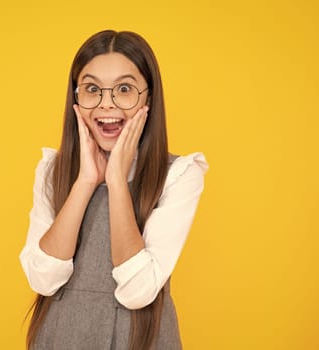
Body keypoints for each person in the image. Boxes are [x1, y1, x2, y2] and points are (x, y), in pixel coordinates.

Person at [20, 30, 209, 350]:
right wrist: (86, 181)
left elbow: (138, 292)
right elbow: (43, 279)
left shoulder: (178, 175)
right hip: (62, 336)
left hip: (140, 339)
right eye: (92, 89)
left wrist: (118, 181)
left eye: (124, 89)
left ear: (148, 97)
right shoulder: (53, 170)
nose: (106, 104)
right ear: (76, 97)